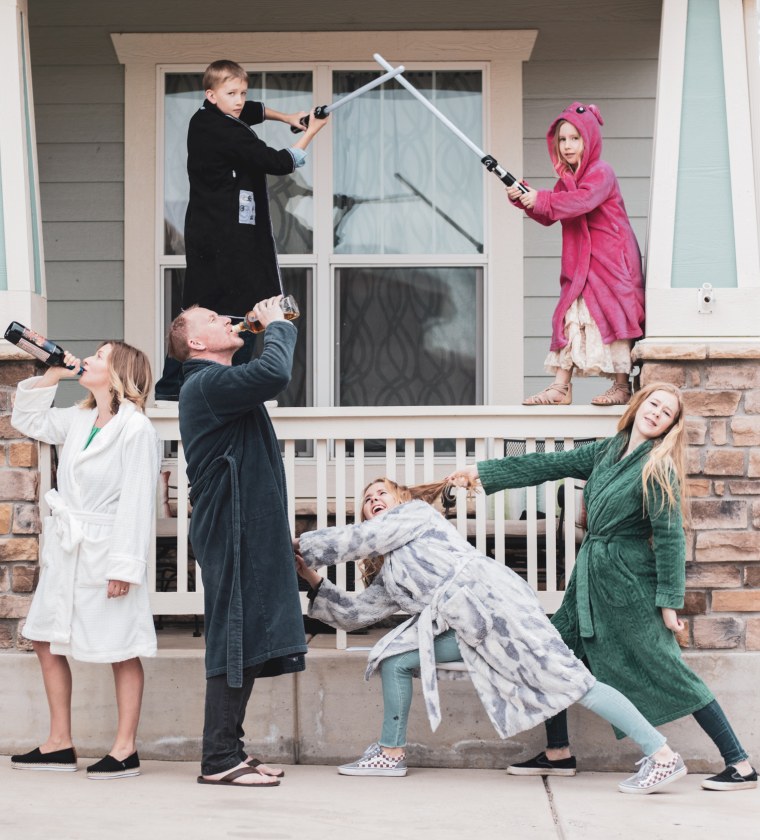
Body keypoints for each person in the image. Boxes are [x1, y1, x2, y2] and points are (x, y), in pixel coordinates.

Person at [449, 382, 757, 792]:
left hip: (629, 583)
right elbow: (548, 464)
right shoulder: (605, 451)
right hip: (589, 580)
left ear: (670, 427)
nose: (655, 414)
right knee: (553, 654)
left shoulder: (657, 466)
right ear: (639, 403)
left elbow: (670, 538)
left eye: (665, 413)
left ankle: (739, 764)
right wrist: (482, 473)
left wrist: (668, 603)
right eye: (653, 404)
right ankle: (558, 752)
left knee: (667, 669)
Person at [295, 477, 688, 794]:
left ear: (399, 501)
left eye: (382, 493)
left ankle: (662, 755)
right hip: (467, 628)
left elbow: (359, 540)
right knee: (395, 658)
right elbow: (354, 614)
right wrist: (309, 574)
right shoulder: (389, 575)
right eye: (368, 499)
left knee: (574, 682)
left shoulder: (414, 515)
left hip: (498, 607)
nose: (375, 498)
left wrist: (297, 546)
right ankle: (389, 753)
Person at [167, 296, 306, 787]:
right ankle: (219, 758)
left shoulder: (222, 384)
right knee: (233, 631)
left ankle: (232, 750)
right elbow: (273, 375)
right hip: (229, 523)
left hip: (246, 523)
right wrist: (277, 326)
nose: (228, 319)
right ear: (197, 342)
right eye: (212, 319)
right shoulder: (204, 384)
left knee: (247, 630)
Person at [10, 341, 160, 780]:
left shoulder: (136, 430)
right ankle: (59, 743)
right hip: (69, 547)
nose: (88, 359)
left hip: (106, 548)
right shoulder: (78, 419)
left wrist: (124, 568)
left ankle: (125, 749)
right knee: (43, 636)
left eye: (99, 356)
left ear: (118, 372)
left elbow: (136, 503)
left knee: (121, 647)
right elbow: (28, 418)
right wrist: (52, 374)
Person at [155, 59, 329, 400]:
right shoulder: (224, 132)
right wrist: (312, 131)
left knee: (204, 308)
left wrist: (289, 118)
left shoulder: (207, 117)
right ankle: (220, 388)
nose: (238, 100)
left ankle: (173, 389)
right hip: (225, 236)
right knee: (242, 307)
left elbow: (247, 111)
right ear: (210, 94)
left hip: (213, 232)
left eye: (242, 92)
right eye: (231, 93)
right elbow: (278, 162)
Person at [508, 103, 644, 406]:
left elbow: (580, 202)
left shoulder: (600, 173)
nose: (567, 146)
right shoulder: (565, 181)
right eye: (562, 139)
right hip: (580, 262)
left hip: (611, 261)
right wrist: (524, 198)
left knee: (612, 316)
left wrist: (540, 199)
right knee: (572, 317)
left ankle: (622, 385)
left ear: (589, 140)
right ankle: (561, 386)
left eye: (574, 138)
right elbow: (550, 212)